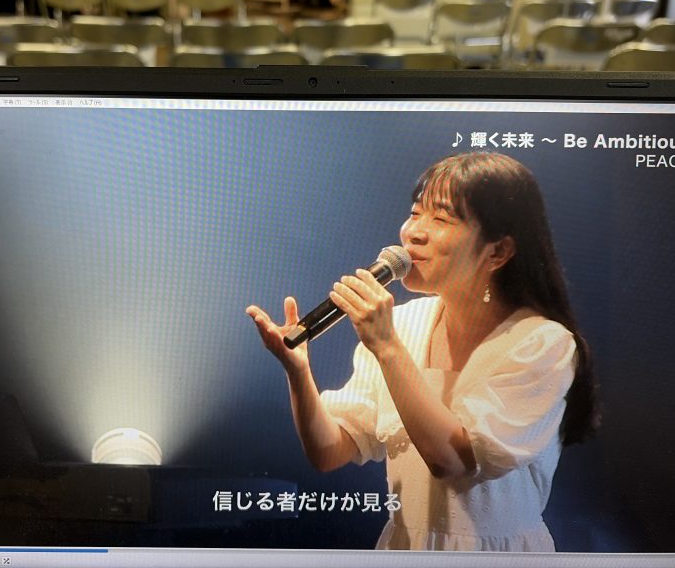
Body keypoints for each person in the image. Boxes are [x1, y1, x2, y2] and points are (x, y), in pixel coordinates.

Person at [247, 151, 599, 552]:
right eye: (415, 213)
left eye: (441, 219)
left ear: (497, 252)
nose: (414, 232)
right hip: (405, 549)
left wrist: (386, 347)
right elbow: (329, 452)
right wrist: (298, 372)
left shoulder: (542, 343)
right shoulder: (403, 324)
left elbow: (454, 462)